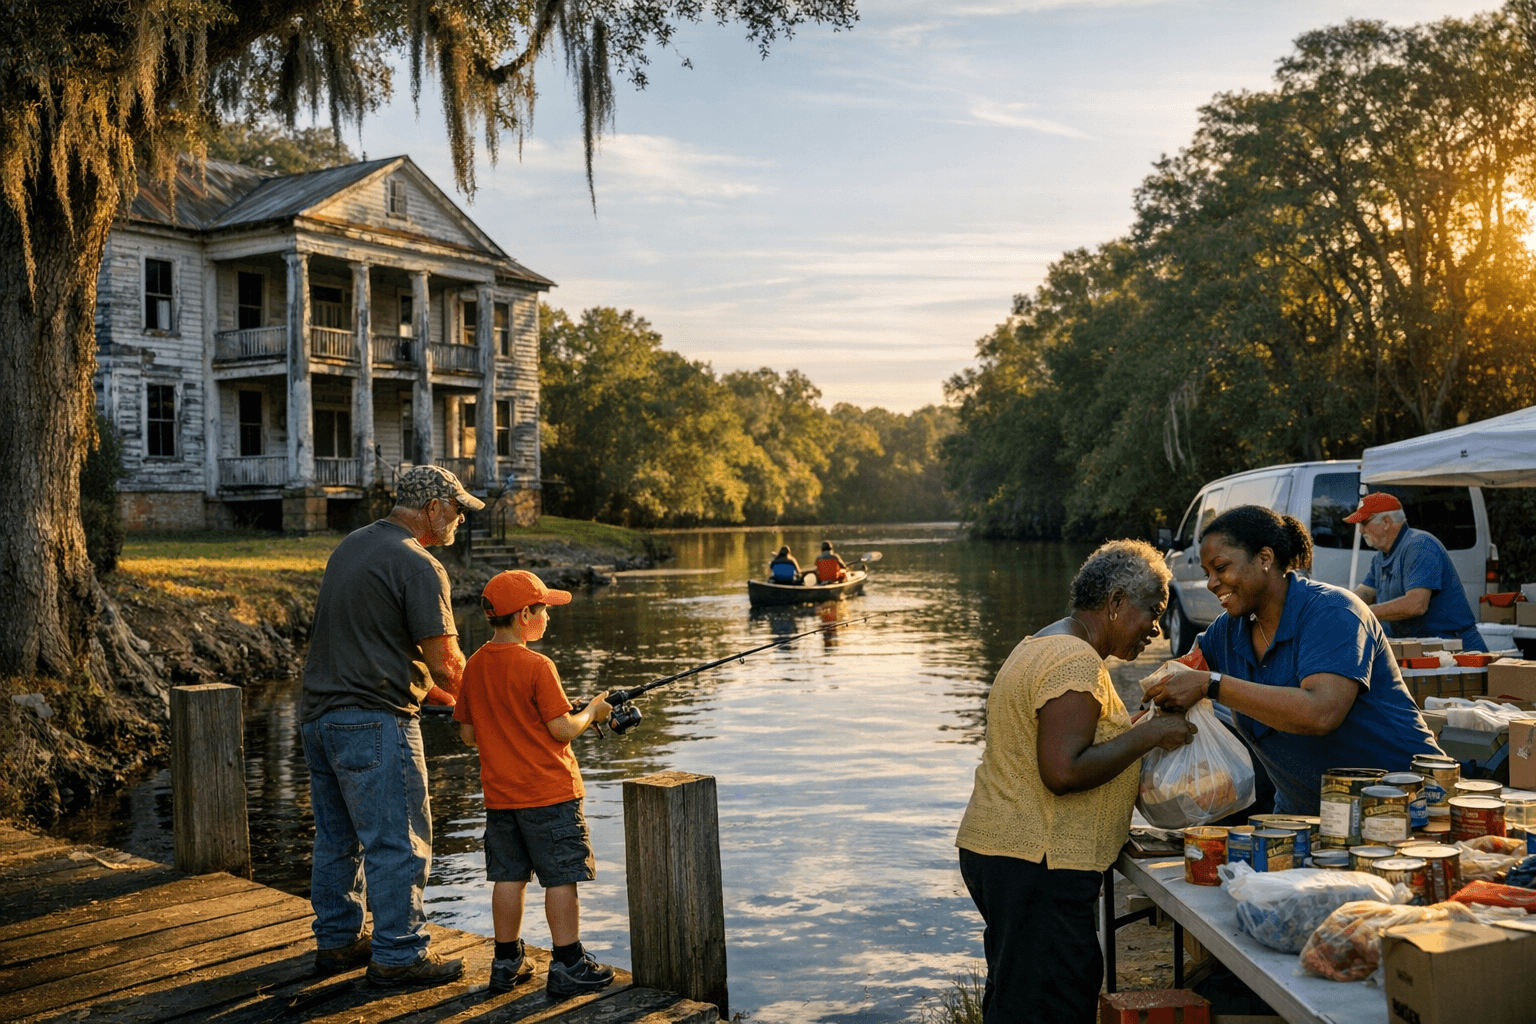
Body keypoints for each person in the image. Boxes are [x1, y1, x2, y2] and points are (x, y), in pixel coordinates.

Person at [955, 540, 1197, 1024]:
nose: (1155, 627)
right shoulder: (1075, 660)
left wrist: (1135, 730)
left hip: (1008, 856)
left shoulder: (1043, 645)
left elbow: (1064, 744)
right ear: (1115, 603)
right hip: (1036, 863)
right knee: (1053, 1001)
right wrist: (1149, 735)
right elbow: (1062, 770)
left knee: (1018, 996)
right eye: (1152, 611)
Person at [300, 464, 483, 987]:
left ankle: (337, 943)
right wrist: (487, 705)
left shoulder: (352, 546)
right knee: (399, 840)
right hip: (374, 723)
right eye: (457, 511)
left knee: (337, 839)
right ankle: (399, 955)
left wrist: (452, 702)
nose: (460, 522)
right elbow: (446, 660)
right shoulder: (419, 564)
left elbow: (391, 655)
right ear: (433, 509)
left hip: (318, 720)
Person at [1146, 504, 1445, 816]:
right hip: (1307, 816)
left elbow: (1321, 712)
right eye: (1208, 574)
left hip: (1406, 808)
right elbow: (1175, 679)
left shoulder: (1333, 612)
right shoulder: (1228, 631)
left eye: (1220, 568)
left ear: (1264, 558)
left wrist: (1213, 685)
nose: (1211, 583)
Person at [454, 570, 618, 998]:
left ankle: (506, 961)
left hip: (500, 797)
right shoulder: (538, 665)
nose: (549, 617)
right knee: (561, 878)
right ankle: (568, 964)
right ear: (525, 614)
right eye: (544, 609)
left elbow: (469, 734)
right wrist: (594, 712)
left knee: (508, 876)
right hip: (550, 794)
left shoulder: (474, 665)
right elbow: (563, 729)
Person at [1346, 492, 1487, 652]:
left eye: (1364, 523)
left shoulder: (1419, 545)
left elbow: (1416, 605)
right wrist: (1339, 606)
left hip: (1457, 651)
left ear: (1386, 521)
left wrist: (1364, 612)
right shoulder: (1381, 557)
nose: (1360, 530)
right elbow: (1364, 593)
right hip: (1428, 650)